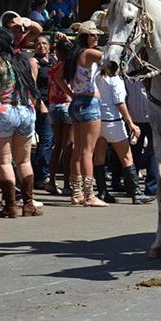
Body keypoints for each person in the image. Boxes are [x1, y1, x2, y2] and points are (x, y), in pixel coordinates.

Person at [0, 26, 43, 218]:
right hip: (26, 110)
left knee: (4, 161)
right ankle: (29, 203)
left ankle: (10, 206)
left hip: (4, 110)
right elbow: (32, 89)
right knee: (24, 160)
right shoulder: (23, 60)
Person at [94, 71, 155, 205]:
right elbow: (119, 102)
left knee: (99, 156)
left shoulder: (97, 76)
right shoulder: (115, 79)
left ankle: (102, 191)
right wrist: (131, 123)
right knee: (127, 157)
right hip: (113, 120)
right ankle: (136, 193)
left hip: (98, 118)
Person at [64, 21, 107, 207]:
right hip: (89, 103)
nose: (96, 37)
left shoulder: (74, 55)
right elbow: (109, 57)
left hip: (76, 103)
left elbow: (57, 76)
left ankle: (77, 193)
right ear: (84, 37)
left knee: (78, 149)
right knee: (88, 151)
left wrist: (71, 93)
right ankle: (90, 195)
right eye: (92, 35)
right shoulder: (89, 53)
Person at [125, 77, 160, 200]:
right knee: (150, 152)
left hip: (137, 116)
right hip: (146, 117)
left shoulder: (129, 73)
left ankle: (133, 186)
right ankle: (150, 187)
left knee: (135, 153)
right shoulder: (150, 73)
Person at [48, 37, 74, 196]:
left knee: (57, 145)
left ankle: (51, 181)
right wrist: (72, 95)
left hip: (53, 105)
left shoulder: (54, 66)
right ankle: (66, 183)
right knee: (68, 146)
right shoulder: (68, 66)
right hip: (66, 104)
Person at [32, 35, 56, 191]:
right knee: (46, 140)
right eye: (38, 44)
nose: (42, 46)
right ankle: (40, 176)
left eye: (44, 43)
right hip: (42, 105)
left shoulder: (53, 61)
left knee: (51, 141)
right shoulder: (34, 62)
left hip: (55, 104)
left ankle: (42, 173)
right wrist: (40, 104)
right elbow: (32, 85)